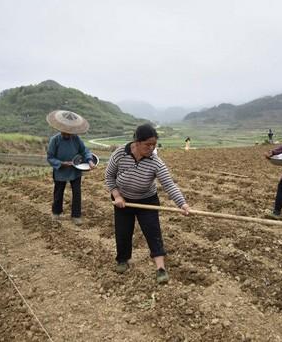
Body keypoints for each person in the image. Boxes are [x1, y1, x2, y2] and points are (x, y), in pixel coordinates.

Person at [105, 124, 190, 284]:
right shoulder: (120, 154)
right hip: (123, 201)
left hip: (147, 200)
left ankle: (160, 267)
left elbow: (169, 184)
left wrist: (182, 204)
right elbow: (109, 176)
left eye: (154, 145)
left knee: (153, 232)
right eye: (147, 145)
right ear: (136, 142)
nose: (151, 148)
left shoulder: (155, 161)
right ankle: (123, 260)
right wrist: (117, 196)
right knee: (123, 231)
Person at [46, 110, 95, 226]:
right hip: (60, 171)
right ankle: (56, 213)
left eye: (69, 132)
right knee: (58, 193)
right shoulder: (55, 140)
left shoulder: (76, 139)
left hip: (75, 169)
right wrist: (61, 163)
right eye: (65, 132)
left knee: (77, 193)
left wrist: (90, 160)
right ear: (61, 128)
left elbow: (84, 151)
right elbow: (50, 157)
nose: (67, 134)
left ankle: (76, 215)